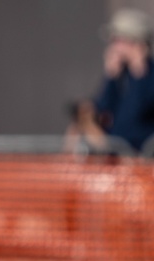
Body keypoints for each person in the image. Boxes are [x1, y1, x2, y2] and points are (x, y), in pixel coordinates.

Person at [66, 8, 154, 154]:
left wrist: (139, 72)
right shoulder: (121, 75)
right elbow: (104, 108)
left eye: (118, 40)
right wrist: (111, 76)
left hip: (142, 159)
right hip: (116, 155)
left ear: (137, 43)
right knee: (76, 128)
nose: (113, 47)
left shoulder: (147, 76)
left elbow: (134, 115)